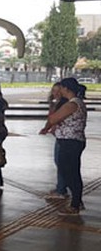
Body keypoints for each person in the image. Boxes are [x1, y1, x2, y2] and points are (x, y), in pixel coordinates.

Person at [39, 77, 87, 216]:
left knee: (69, 172)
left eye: (61, 88)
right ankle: (76, 201)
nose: (59, 90)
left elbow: (53, 119)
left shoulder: (72, 104)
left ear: (66, 89)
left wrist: (54, 108)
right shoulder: (77, 102)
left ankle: (75, 204)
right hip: (72, 141)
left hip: (70, 142)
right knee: (71, 172)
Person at [43, 82, 70, 199]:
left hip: (64, 137)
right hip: (59, 135)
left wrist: (47, 127)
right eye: (54, 91)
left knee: (60, 162)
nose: (56, 93)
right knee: (59, 161)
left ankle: (61, 189)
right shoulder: (57, 104)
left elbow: (54, 119)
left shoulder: (64, 104)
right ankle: (61, 186)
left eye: (59, 91)